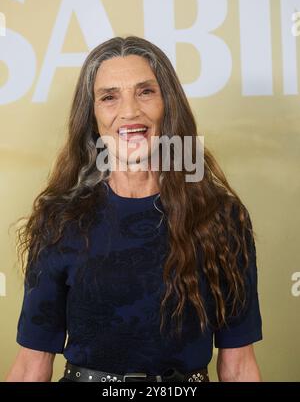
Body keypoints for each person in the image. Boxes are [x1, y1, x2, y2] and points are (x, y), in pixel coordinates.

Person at [6, 36, 262, 383]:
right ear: (92, 116)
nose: (129, 111)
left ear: (168, 105)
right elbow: (31, 364)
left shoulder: (221, 217)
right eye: (109, 97)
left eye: (145, 92)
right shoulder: (60, 220)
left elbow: (239, 364)